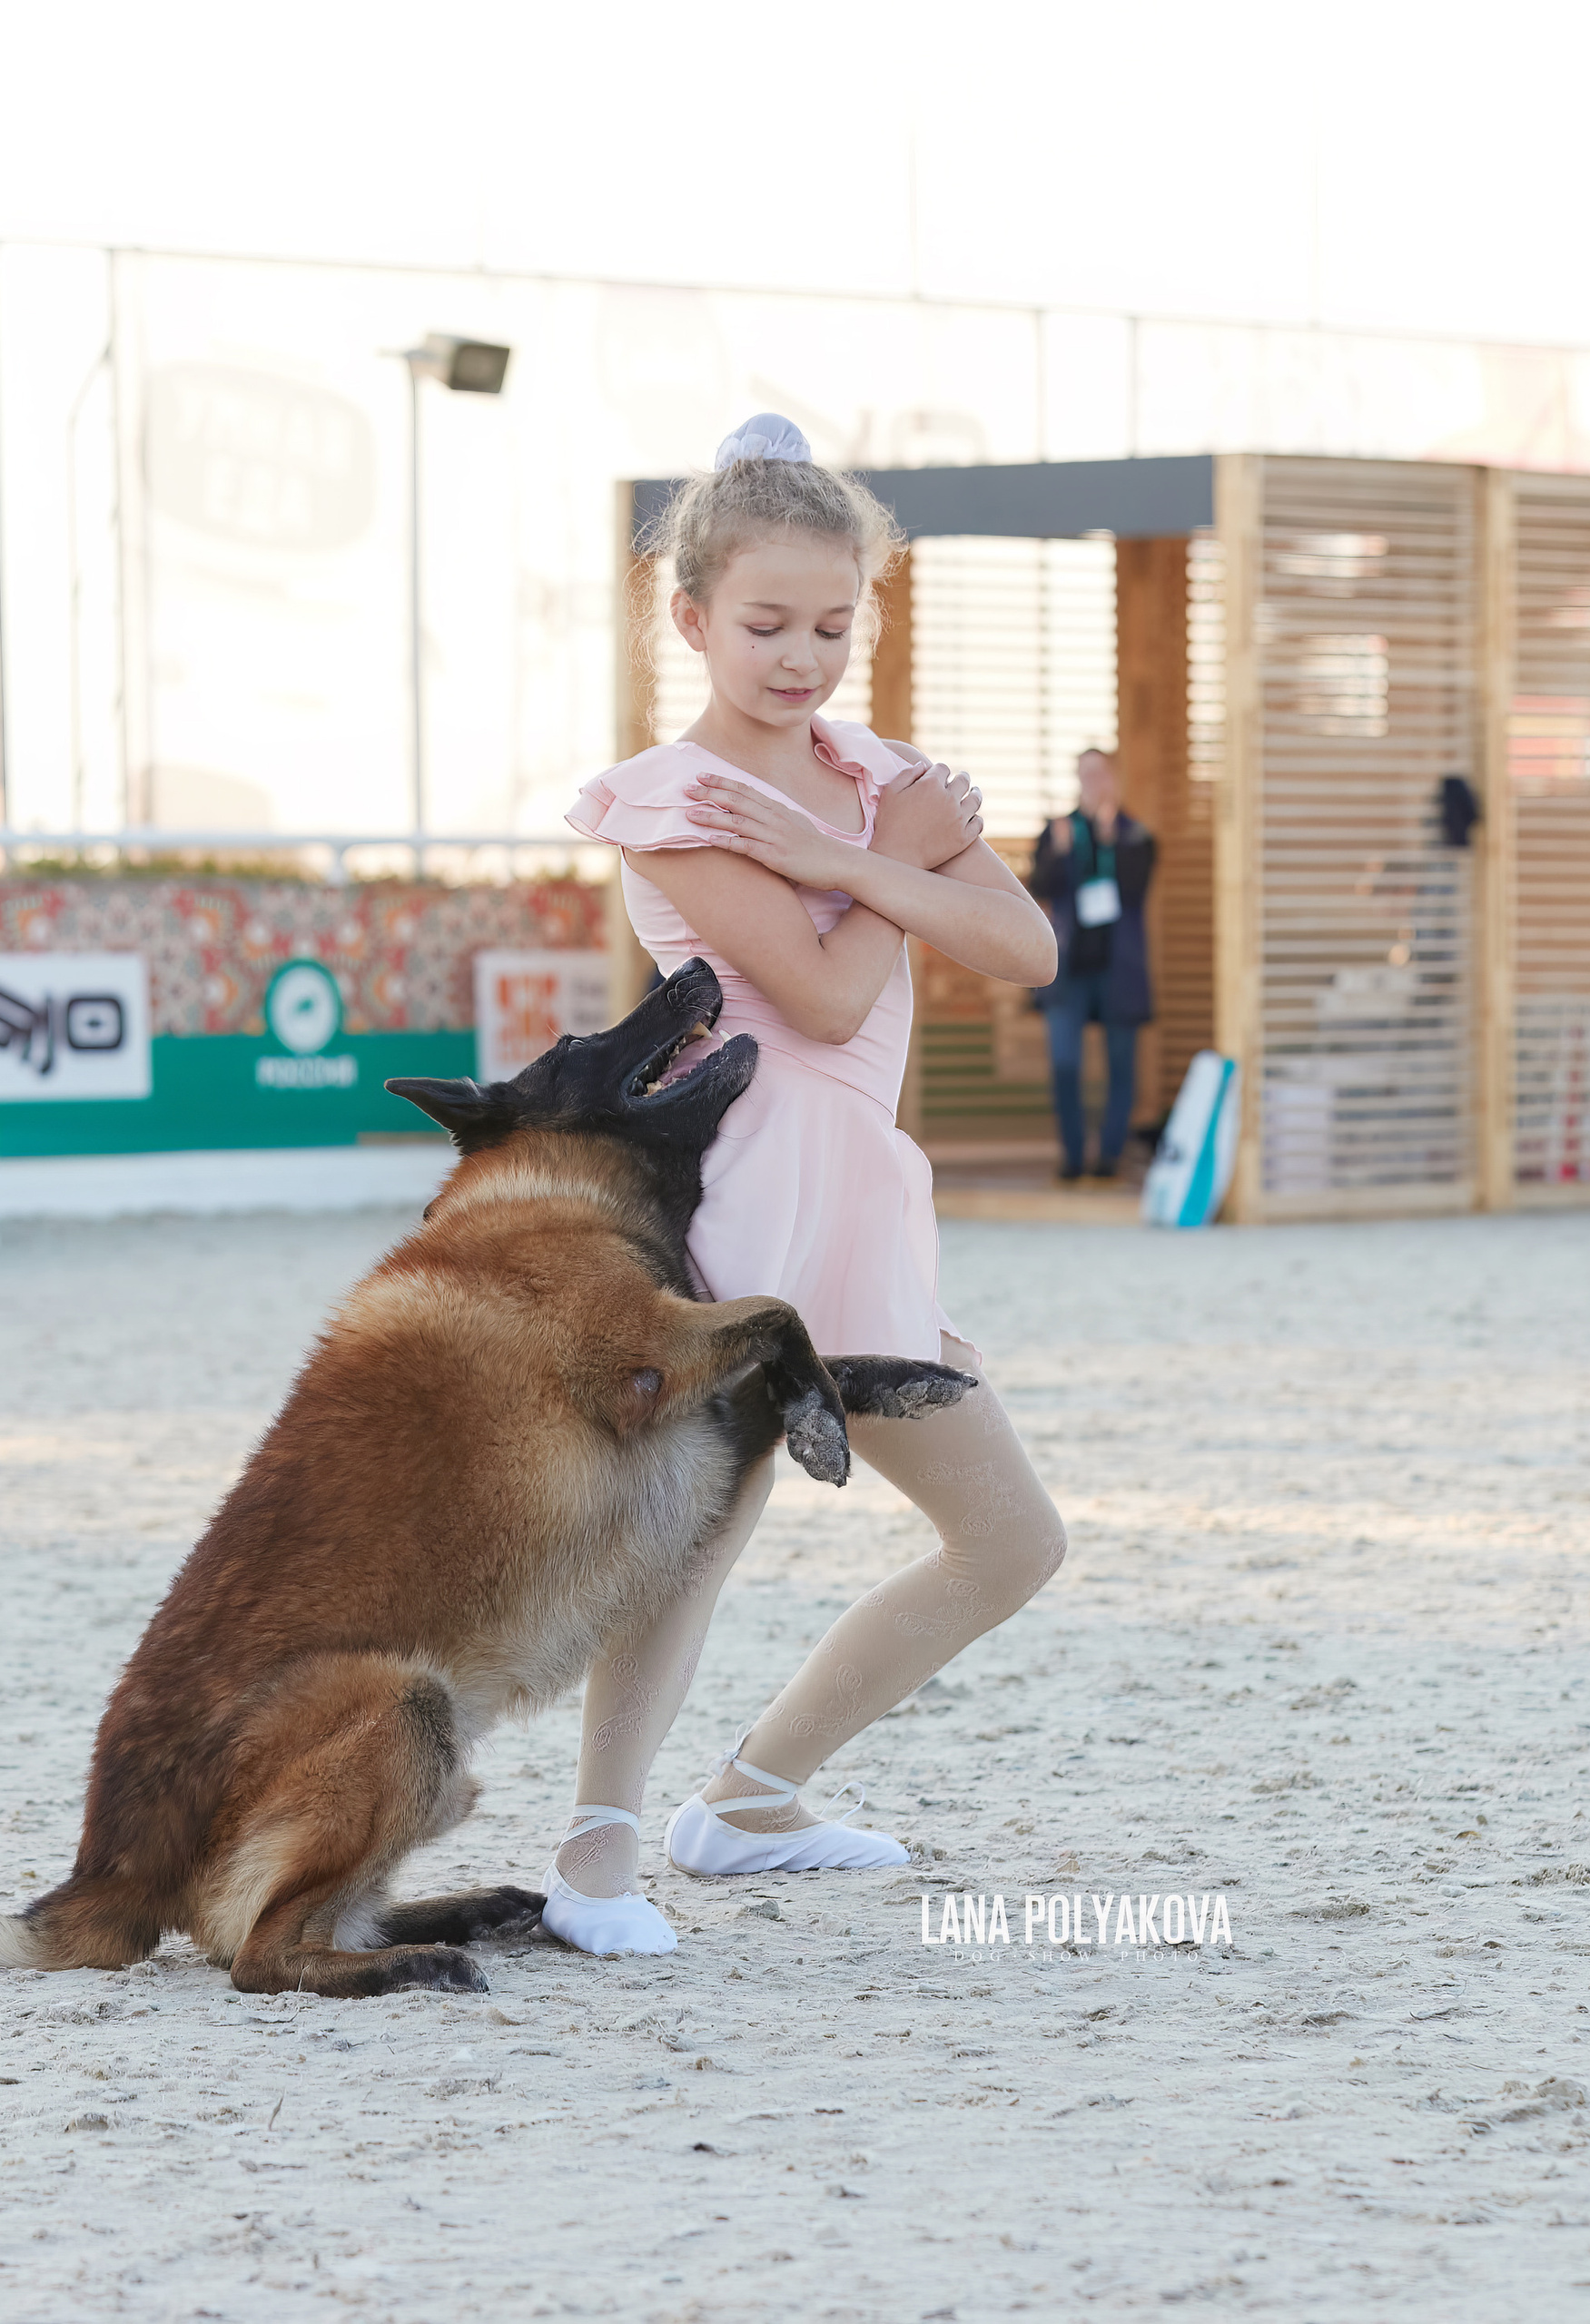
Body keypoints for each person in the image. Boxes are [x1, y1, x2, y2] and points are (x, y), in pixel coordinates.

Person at [545, 415, 1068, 1956]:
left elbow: (1027, 949)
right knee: (703, 1532)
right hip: (745, 1202)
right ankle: (596, 1860)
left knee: (1012, 1542)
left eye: (834, 626)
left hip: (869, 1205)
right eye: (767, 625)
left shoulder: (878, 780)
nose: (801, 657)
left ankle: (756, 1798)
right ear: (693, 618)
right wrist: (889, 864)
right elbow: (828, 1005)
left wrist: (856, 853)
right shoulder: (670, 796)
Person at [1028, 748, 1157, 1182]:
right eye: (1086, 774)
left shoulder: (1135, 834)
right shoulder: (1059, 831)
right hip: (1068, 971)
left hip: (1118, 970)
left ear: (1114, 778)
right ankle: (1073, 1156)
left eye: (1101, 774)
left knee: (1122, 1065)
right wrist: (1063, 851)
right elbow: (1038, 886)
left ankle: (1110, 1157)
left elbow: (1136, 889)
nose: (1094, 782)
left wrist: (1109, 842)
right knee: (1065, 1064)